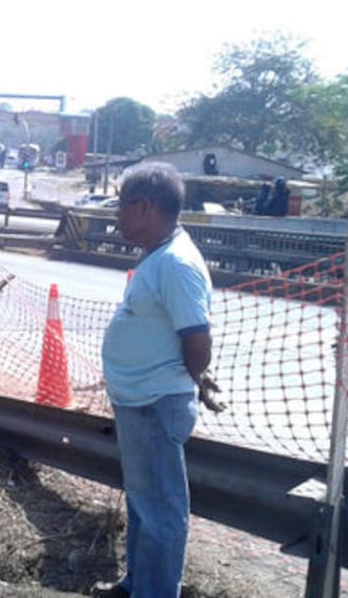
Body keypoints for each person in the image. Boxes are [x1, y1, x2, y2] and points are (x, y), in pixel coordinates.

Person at [91, 162, 224, 598]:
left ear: (145, 207)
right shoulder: (158, 255)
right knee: (143, 503)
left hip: (155, 403)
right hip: (141, 401)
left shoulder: (176, 264)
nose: (117, 214)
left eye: (122, 205)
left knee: (162, 511)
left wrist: (195, 377)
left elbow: (197, 339)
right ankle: (138, 585)